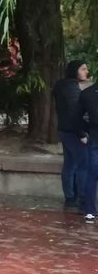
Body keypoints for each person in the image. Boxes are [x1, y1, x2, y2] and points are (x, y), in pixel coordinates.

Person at [53, 60, 89, 210]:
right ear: (75, 71)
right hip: (73, 132)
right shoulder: (71, 88)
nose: (86, 72)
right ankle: (82, 199)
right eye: (83, 69)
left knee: (70, 164)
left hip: (64, 130)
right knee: (83, 165)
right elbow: (75, 113)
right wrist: (81, 133)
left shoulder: (62, 85)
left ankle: (70, 197)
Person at [76, 73, 98, 223]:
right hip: (95, 135)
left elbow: (77, 117)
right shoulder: (88, 94)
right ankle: (89, 209)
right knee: (92, 172)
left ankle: (90, 210)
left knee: (92, 173)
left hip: (94, 134)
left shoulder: (87, 93)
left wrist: (85, 131)